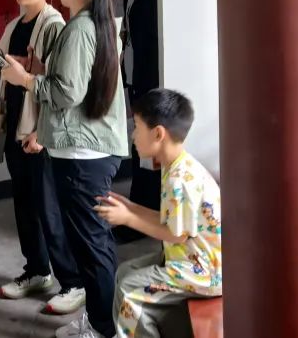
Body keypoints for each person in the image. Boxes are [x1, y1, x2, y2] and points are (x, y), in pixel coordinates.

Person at [1, 0, 128, 333]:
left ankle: (102, 327)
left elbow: (66, 93)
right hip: (91, 147)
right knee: (94, 241)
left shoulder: (76, 27)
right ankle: (103, 321)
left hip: (81, 152)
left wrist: (26, 79)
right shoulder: (96, 22)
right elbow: (77, 82)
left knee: (89, 244)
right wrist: (41, 70)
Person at [92, 89, 222, 338]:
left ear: (158, 133)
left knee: (129, 291)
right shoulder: (176, 166)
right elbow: (170, 222)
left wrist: (128, 218)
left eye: (137, 127)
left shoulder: (179, 179)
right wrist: (130, 207)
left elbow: (176, 234)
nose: (133, 135)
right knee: (124, 273)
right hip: (189, 259)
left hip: (204, 272)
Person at [0, 0, 76, 307]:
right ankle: (38, 271)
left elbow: (59, 88)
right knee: (24, 205)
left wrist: (42, 132)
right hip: (15, 128)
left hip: (39, 134)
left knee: (49, 209)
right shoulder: (14, 26)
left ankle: (72, 281)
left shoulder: (53, 26)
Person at [109, 0, 161, 243]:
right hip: (136, 83)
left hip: (150, 84)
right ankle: (139, 215)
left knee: (147, 150)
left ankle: (143, 218)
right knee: (139, 148)